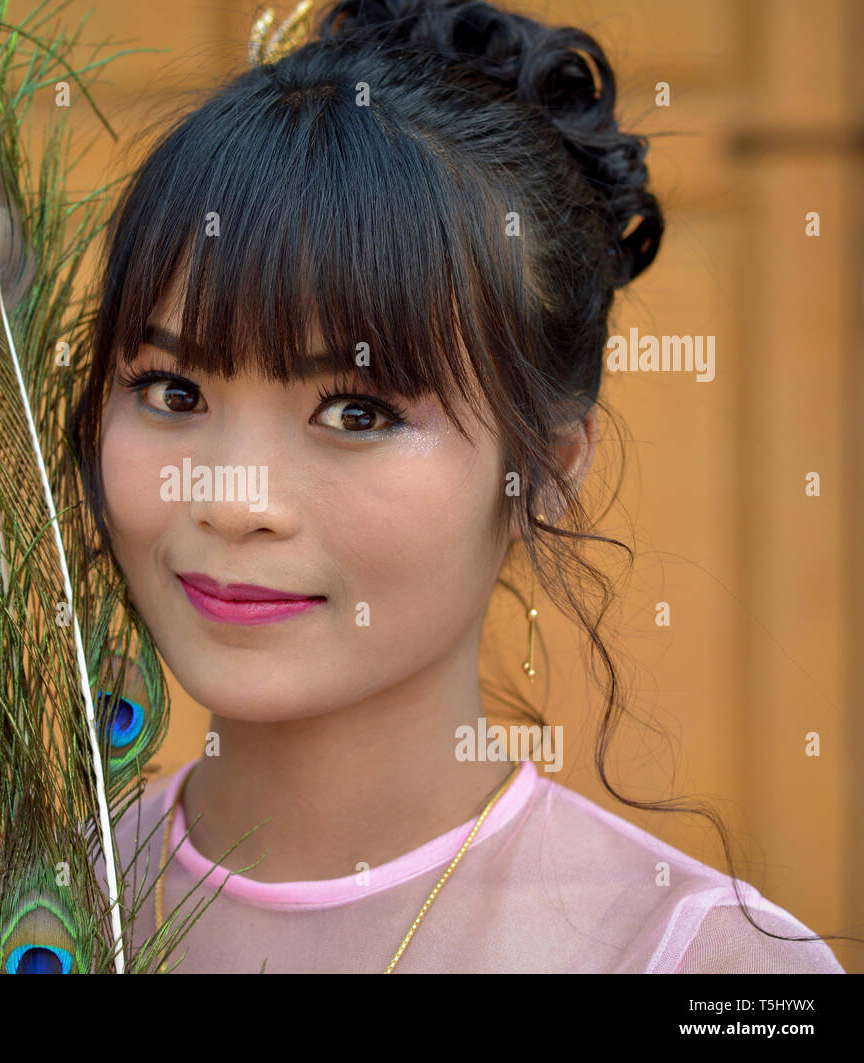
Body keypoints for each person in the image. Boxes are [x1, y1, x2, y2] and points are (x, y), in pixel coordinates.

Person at [71, 0, 845, 972]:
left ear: (546, 470)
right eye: (170, 390)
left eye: (357, 412)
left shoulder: (709, 965)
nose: (232, 498)